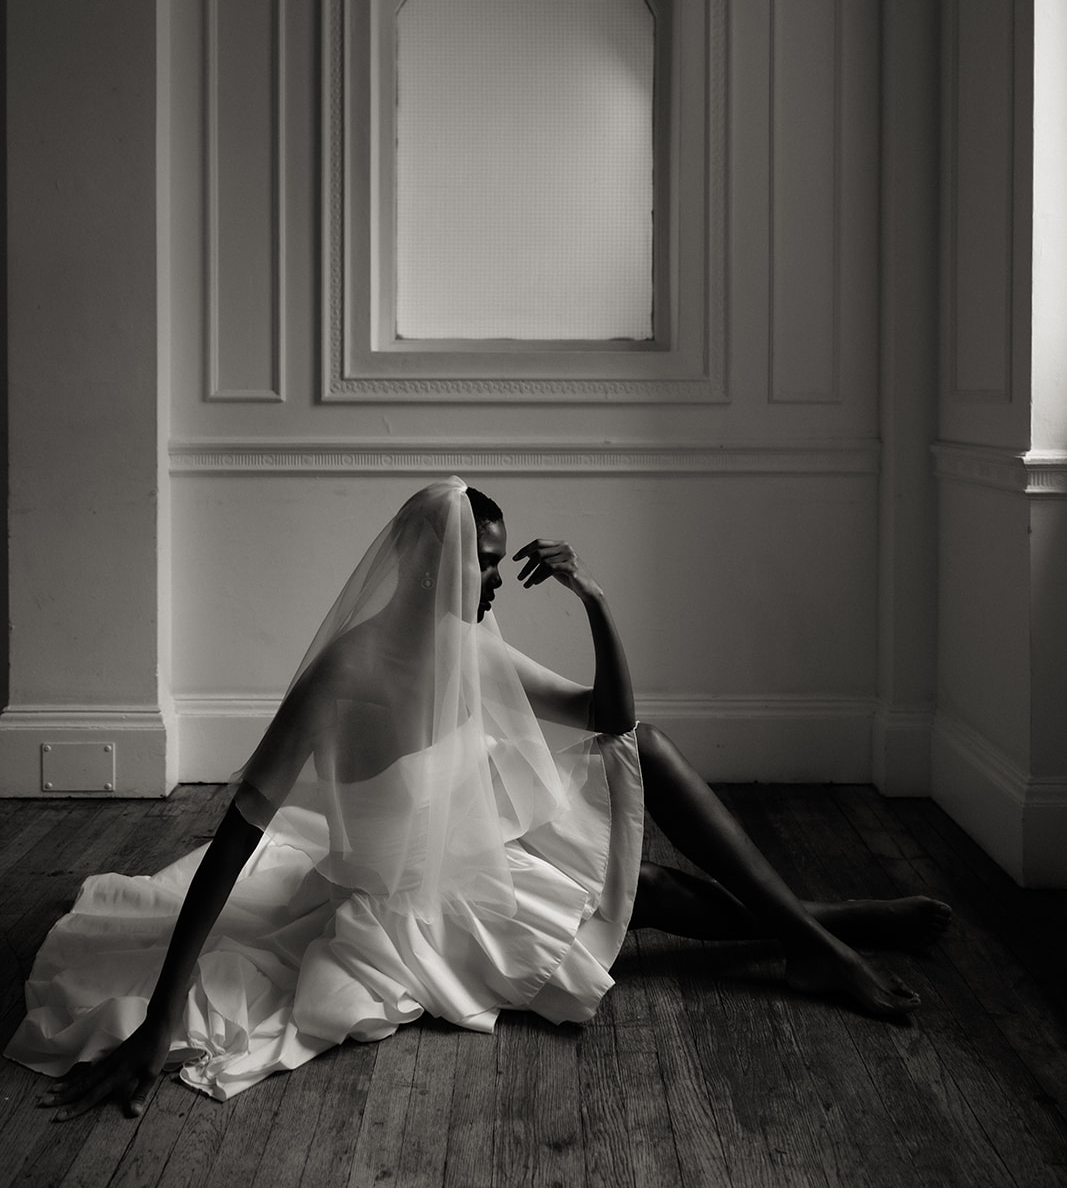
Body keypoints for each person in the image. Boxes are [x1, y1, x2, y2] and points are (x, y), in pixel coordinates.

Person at [8, 477, 948, 1120]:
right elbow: (234, 837)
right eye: (483, 563)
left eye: (497, 562)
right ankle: (826, 929)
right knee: (645, 897)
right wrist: (163, 1016)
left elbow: (612, 719)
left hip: (471, 851)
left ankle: (819, 939)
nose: (497, 581)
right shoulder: (345, 675)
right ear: (430, 565)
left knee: (650, 767)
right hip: (409, 906)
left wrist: (592, 597)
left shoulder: (467, 643)